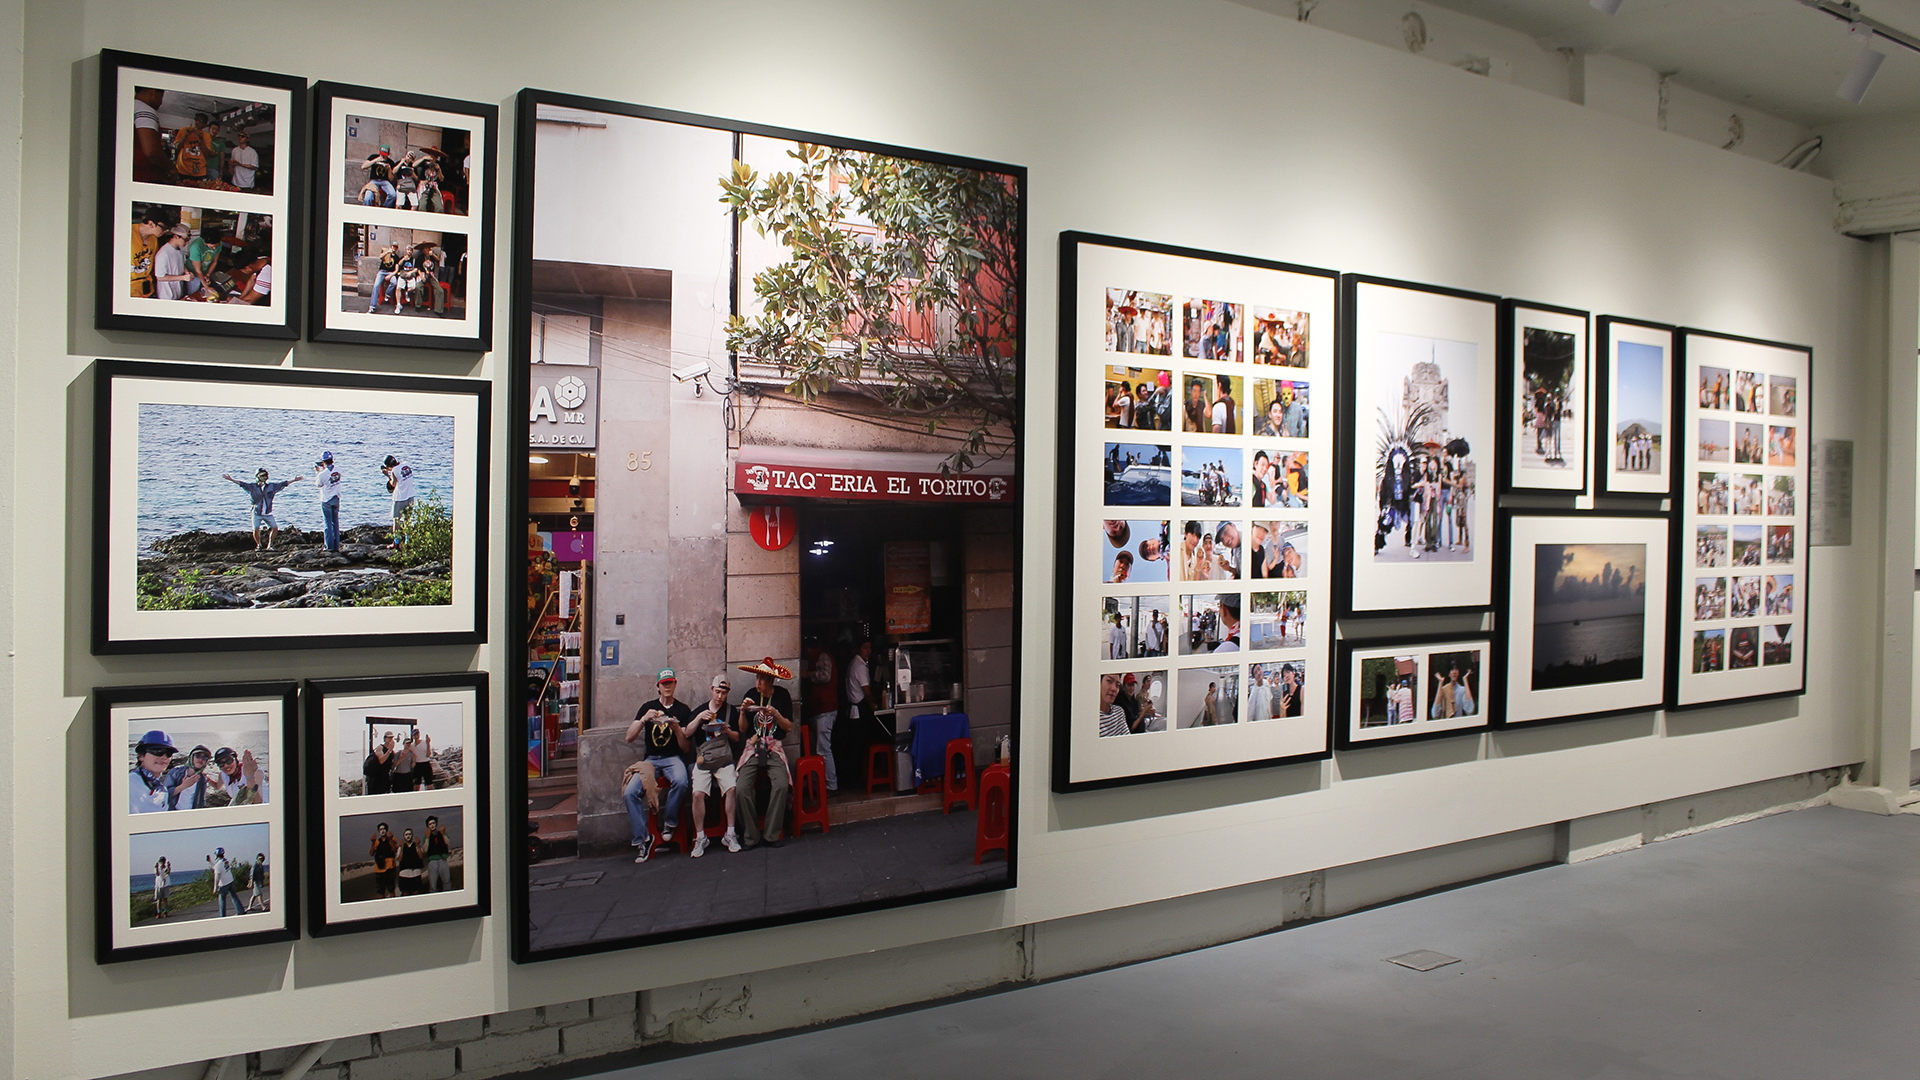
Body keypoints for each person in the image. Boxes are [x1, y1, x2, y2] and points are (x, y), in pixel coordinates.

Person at [623, 669, 693, 862]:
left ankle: (670, 821)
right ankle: (643, 839)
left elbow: (686, 748)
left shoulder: (683, 710)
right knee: (630, 793)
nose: (667, 687)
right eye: (664, 684)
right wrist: (644, 719)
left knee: (681, 781)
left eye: (670, 683)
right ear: (658, 687)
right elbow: (629, 737)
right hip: (651, 760)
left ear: (675, 684)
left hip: (673, 758)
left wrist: (677, 728)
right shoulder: (648, 707)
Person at [735, 658, 795, 850]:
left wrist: (776, 714)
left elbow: (788, 727)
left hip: (774, 746)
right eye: (757, 678)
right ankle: (750, 836)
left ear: (771, 680)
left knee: (781, 785)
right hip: (753, 746)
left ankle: (771, 834)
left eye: (762, 679)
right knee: (741, 788)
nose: (758, 683)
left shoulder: (782, 696)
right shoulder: (751, 695)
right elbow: (742, 729)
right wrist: (743, 711)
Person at [685, 674, 744, 856]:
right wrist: (698, 719)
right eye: (717, 692)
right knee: (697, 794)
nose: (720, 696)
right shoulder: (700, 710)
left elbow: (737, 737)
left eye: (723, 693)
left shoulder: (730, 711)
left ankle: (730, 833)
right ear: (712, 690)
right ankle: (700, 836)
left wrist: (727, 730)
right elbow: (687, 733)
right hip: (704, 759)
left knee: (731, 788)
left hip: (723, 758)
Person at [223, 468, 294, 551]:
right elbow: (242, 484)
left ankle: (270, 545)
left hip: (267, 513)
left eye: (266, 475)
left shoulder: (271, 486)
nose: (265, 477)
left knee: (274, 528)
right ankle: (259, 545)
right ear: (257, 477)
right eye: (262, 475)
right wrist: (231, 479)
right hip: (256, 512)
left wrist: (294, 480)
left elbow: (283, 484)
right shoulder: (252, 487)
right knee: (256, 529)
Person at [129, 729, 196, 814]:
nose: (164, 757)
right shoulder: (130, 784)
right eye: (157, 751)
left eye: (168, 753)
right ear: (141, 756)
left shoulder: (162, 790)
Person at [804, 639, 840, 793]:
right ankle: (816, 783)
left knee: (823, 749)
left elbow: (825, 676)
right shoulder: (815, 658)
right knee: (815, 749)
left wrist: (807, 675)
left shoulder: (823, 656)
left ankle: (831, 785)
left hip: (826, 709)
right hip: (817, 709)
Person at [844, 640, 874, 779]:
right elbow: (866, 691)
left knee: (855, 746)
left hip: (855, 709)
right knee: (858, 747)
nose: (868, 651)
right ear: (858, 649)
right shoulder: (860, 666)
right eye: (865, 648)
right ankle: (855, 778)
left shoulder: (854, 663)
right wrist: (873, 704)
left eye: (870, 648)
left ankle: (854, 777)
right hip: (858, 711)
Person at [132, 86, 169, 184]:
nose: (161, 103)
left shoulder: (129, 106)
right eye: (161, 97)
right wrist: (170, 167)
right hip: (143, 176)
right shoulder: (144, 109)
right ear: (153, 93)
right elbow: (151, 151)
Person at [382, 455, 416, 550]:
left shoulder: (394, 471)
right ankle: (407, 541)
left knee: (396, 521)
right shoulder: (406, 464)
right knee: (407, 520)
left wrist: (387, 474)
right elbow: (400, 475)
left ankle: (396, 542)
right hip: (410, 496)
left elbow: (393, 483)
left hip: (400, 498)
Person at [154, 223, 192, 300]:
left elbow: (182, 263)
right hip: (167, 294)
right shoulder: (163, 254)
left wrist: (187, 272)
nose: (187, 242)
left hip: (178, 290)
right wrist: (182, 277)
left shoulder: (180, 249)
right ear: (175, 237)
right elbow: (160, 277)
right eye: (185, 240)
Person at [314, 451, 343, 552]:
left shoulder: (322, 474)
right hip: (336, 497)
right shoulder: (338, 469)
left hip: (326, 499)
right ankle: (336, 546)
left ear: (323, 462)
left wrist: (317, 472)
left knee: (328, 524)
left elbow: (318, 484)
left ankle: (329, 546)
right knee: (335, 523)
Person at [173, 113, 213, 181]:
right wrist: (185, 136)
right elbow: (177, 147)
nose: (197, 122)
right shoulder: (184, 130)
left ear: (205, 124)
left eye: (201, 121)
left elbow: (206, 153)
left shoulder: (206, 136)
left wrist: (201, 139)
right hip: (183, 169)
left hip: (199, 171)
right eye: (196, 119)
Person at [368, 824, 400, 899]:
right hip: (380, 868)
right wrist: (373, 842)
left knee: (391, 889)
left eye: (384, 829)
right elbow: (371, 853)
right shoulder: (377, 842)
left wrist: (390, 839)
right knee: (381, 891)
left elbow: (395, 850)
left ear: (387, 830)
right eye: (380, 829)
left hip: (390, 867)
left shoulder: (392, 839)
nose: (382, 831)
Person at [422, 815, 453, 892]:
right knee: (433, 885)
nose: (432, 825)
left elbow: (448, 844)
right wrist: (427, 837)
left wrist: (443, 834)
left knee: (447, 881)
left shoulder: (442, 833)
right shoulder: (426, 836)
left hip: (442, 860)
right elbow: (425, 850)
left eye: (433, 823)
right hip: (432, 862)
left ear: (436, 824)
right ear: (428, 826)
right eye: (430, 824)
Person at [367, 244, 402, 312]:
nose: (394, 248)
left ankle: (388, 293)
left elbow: (396, 269)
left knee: (394, 282)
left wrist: (390, 275)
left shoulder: (396, 258)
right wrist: (388, 252)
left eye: (395, 247)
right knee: (376, 286)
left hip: (391, 273)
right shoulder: (385, 253)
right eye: (393, 247)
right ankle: (372, 306)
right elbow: (380, 257)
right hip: (382, 271)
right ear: (390, 247)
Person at [209, 847, 241, 917]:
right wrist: (210, 862)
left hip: (223, 884)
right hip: (230, 881)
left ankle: (222, 915)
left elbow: (217, 877)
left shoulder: (218, 864)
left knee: (222, 900)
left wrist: (215, 888)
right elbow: (216, 868)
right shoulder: (225, 861)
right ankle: (240, 911)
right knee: (234, 897)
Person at [363, 731, 396, 795]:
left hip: (385, 776)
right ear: (385, 738)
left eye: (392, 738)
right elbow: (381, 760)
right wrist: (389, 750)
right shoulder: (380, 747)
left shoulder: (392, 752)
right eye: (389, 738)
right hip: (376, 776)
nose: (390, 740)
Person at [396, 827, 427, 896]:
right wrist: (402, 848)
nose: (408, 836)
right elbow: (399, 859)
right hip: (404, 874)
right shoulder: (401, 847)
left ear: (412, 835)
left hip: (415, 873)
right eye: (406, 834)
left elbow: (421, 856)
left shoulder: (416, 845)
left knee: (416, 892)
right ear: (404, 836)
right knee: (405, 893)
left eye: (409, 834)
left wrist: (418, 845)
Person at [1096, 672, 1128, 738]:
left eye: (1117, 685)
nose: (1114, 689)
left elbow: (1128, 740)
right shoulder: (1090, 717)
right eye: (1109, 681)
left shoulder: (1119, 712)